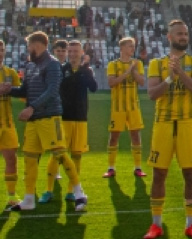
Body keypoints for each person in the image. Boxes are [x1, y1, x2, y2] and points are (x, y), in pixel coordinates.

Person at [0, 32, 88, 211]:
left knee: (60, 154)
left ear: (38, 45)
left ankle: (80, 194)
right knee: (30, 159)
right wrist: (9, 90)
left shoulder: (53, 64)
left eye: (29, 46)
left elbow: (52, 90)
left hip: (49, 117)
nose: (28, 50)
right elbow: (26, 90)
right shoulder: (30, 65)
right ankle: (29, 199)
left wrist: (32, 107)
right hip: (33, 120)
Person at [143, 20, 192, 239]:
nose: (183, 37)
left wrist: (180, 73)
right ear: (169, 37)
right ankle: (156, 224)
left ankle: (191, 224)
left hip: (187, 123)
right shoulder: (156, 64)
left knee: (190, 173)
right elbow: (152, 94)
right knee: (159, 173)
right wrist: (170, 77)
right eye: (179, 34)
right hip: (164, 124)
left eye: (186, 33)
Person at [41, 40, 97, 203]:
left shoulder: (87, 70)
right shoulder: (61, 70)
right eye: (70, 51)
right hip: (62, 118)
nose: (72, 54)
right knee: (57, 154)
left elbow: (93, 87)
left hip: (80, 118)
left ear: (81, 53)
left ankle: (71, 191)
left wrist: (85, 70)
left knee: (77, 155)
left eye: (75, 51)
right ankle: (48, 190)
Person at [105, 37, 147, 178]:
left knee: (135, 135)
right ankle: (111, 168)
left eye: (133, 46)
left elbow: (142, 82)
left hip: (133, 106)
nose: (132, 49)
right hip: (118, 108)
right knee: (114, 137)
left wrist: (133, 70)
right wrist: (128, 71)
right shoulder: (113, 64)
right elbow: (112, 83)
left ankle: (138, 167)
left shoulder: (138, 64)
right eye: (130, 46)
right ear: (122, 48)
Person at [0, 40, 22, 209]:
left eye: (2, 50)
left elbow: (22, 94)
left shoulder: (10, 73)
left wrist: (13, 90)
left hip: (7, 124)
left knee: (12, 160)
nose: (0, 53)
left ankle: (12, 196)